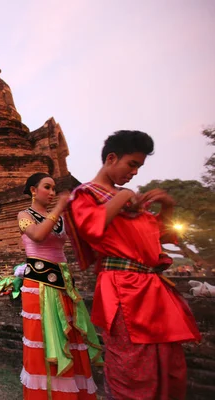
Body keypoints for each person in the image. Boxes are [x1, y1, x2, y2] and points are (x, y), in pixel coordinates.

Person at [65, 130, 201, 399]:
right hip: (123, 288)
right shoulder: (86, 194)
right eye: (132, 164)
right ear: (111, 158)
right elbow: (91, 228)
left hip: (152, 288)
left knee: (167, 362)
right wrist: (124, 196)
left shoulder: (127, 200)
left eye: (138, 167)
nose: (135, 172)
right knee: (133, 367)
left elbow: (155, 237)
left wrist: (167, 207)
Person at [17, 172, 102, 399]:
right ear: (33, 190)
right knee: (44, 340)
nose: (52, 193)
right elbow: (37, 235)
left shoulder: (62, 218)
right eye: (47, 187)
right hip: (39, 287)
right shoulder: (24, 215)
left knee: (70, 340)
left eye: (54, 188)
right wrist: (59, 208)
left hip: (65, 285)